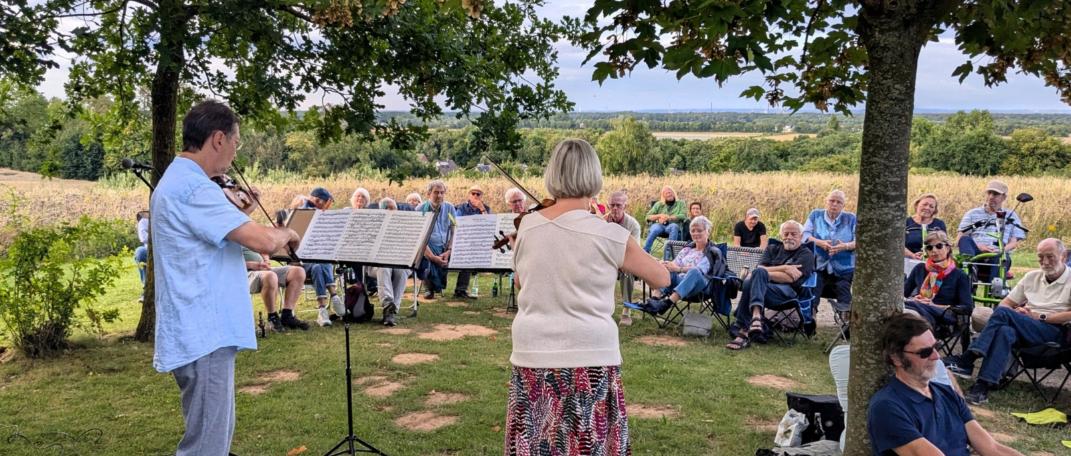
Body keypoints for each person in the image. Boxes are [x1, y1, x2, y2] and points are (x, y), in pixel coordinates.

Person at [152, 100, 300, 455]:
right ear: (218, 139)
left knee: (212, 440)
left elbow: (218, 234)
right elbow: (264, 241)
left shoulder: (183, 181)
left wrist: (243, 212)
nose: (235, 153)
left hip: (201, 328)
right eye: (236, 142)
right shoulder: (194, 188)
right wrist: (290, 233)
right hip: (204, 331)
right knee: (207, 447)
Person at [505, 138, 668, 455]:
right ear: (594, 176)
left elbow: (522, 283)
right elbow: (661, 277)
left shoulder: (527, 227)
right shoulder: (610, 234)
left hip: (532, 352)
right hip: (590, 354)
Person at [867, 315, 1022, 456]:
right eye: (925, 352)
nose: (936, 356)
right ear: (897, 358)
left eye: (937, 347)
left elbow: (992, 448)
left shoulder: (946, 393)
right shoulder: (887, 407)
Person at [945, 238, 1071, 405]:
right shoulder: (1032, 277)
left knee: (1004, 314)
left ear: (1063, 256)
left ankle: (968, 358)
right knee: (1005, 331)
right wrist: (1018, 312)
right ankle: (982, 387)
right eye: (1041, 257)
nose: (1045, 262)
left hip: (1053, 332)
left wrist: (1039, 316)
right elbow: (1005, 304)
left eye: (1050, 256)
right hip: (1026, 326)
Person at [727, 221, 815, 350]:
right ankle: (754, 322)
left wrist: (765, 273)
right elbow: (760, 269)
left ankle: (745, 326)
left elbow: (790, 278)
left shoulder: (806, 254)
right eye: (786, 234)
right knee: (753, 280)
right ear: (781, 235)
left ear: (801, 236)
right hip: (763, 290)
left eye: (793, 234)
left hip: (787, 293)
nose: (789, 237)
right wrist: (785, 268)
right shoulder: (772, 249)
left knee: (752, 280)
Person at [627, 216, 718, 316]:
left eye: (699, 230)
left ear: (707, 231)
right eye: (693, 231)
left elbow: (700, 270)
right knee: (665, 268)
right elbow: (674, 264)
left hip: (700, 288)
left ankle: (666, 304)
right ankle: (654, 301)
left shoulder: (712, 251)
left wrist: (678, 269)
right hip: (679, 282)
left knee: (694, 272)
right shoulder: (687, 249)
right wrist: (665, 264)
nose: (696, 233)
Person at [956, 180, 1027, 281]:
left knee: (1000, 258)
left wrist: (1000, 251)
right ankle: (970, 274)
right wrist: (979, 247)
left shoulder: (1011, 215)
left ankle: (994, 287)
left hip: (998, 255)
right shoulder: (972, 214)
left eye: (995, 194)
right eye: (989, 193)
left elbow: (1013, 242)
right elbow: (959, 239)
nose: (991, 197)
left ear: (1004, 197)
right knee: (964, 239)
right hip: (976, 254)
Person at [903, 231, 972, 329]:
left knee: (912, 310)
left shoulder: (959, 275)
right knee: (908, 307)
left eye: (939, 246)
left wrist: (935, 305)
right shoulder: (919, 269)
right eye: (929, 247)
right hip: (918, 309)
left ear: (947, 248)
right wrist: (913, 299)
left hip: (943, 315)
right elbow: (902, 294)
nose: (934, 250)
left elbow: (967, 308)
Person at [803, 189, 856, 314]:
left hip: (844, 267)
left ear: (843, 205)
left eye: (839, 202)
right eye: (832, 201)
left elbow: (859, 241)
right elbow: (804, 235)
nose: (834, 204)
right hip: (819, 264)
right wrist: (819, 242)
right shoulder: (815, 215)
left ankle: (845, 317)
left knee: (843, 288)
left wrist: (845, 246)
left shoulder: (851, 218)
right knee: (814, 285)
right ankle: (810, 317)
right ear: (826, 202)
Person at [244, 248, 309, 332]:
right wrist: (252, 265)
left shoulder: (251, 240)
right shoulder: (230, 240)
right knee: (271, 276)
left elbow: (264, 250)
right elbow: (227, 262)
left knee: (298, 272)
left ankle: (287, 316)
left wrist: (266, 260)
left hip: (261, 269)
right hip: (242, 272)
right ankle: (272, 317)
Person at [605, 190, 642, 326]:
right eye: (612, 205)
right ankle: (601, 309)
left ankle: (626, 311)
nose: (615, 208)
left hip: (626, 259)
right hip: (608, 260)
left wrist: (621, 263)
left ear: (624, 206)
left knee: (627, 271)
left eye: (618, 205)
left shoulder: (633, 225)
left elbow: (634, 251)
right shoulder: (602, 222)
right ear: (608, 206)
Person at [417, 180, 455, 302]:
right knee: (426, 251)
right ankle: (430, 287)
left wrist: (449, 250)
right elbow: (420, 238)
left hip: (446, 246)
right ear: (429, 194)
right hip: (427, 247)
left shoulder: (450, 208)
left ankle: (461, 289)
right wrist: (433, 257)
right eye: (436, 192)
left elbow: (454, 231)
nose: (439, 195)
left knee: (466, 251)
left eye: (442, 192)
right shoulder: (420, 209)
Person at [452, 184, 492, 299]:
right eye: (473, 193)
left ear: (481, 196)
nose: (475, 196)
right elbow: (457, 223)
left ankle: (461, 289)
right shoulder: (461, 208)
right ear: (469, 195)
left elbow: (489, 224)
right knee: (468, 256)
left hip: (479, 241)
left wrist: (482, 209)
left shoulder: (486, 208)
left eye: (478, 194)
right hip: (463, 239)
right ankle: (460, 290)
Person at [375, 197, 409, 326]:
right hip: (376, 264)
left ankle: (391, 312)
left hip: (397, 261)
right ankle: (388, 305)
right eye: (388, 209)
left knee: (402, 271)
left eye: (393, 209)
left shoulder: (402, 227)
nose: (391, 212)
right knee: (384, 268)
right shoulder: (375, 224)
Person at [642, 185, 687, 253]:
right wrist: (659, 216)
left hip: (672, 225)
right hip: (659, 225)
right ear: (663, 196)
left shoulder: (680, 203)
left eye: (670, 192)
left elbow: (683, 216)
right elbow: (648, 217)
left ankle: (668, 254)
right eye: (666, 193)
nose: (669, 194)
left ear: (673, 193)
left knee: (674, 226)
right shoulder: (659, 204)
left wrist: (669, 218)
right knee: (655, 229)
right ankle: (645, 252)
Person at [904, 193, 947, 259]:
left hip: (933, 260)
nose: (927, 208)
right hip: (907, 259)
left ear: (934, 210)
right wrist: (912, 255)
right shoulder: (906, 222)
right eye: (924, 204)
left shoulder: (939, 224)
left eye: (931, 206)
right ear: (917, 205)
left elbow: (944, 246)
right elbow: (897, 244)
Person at [134, 210, 150, 288]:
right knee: (140, 252)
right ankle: (146, 285)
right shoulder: (144, 220)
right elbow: (143, 238)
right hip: (150, 249)